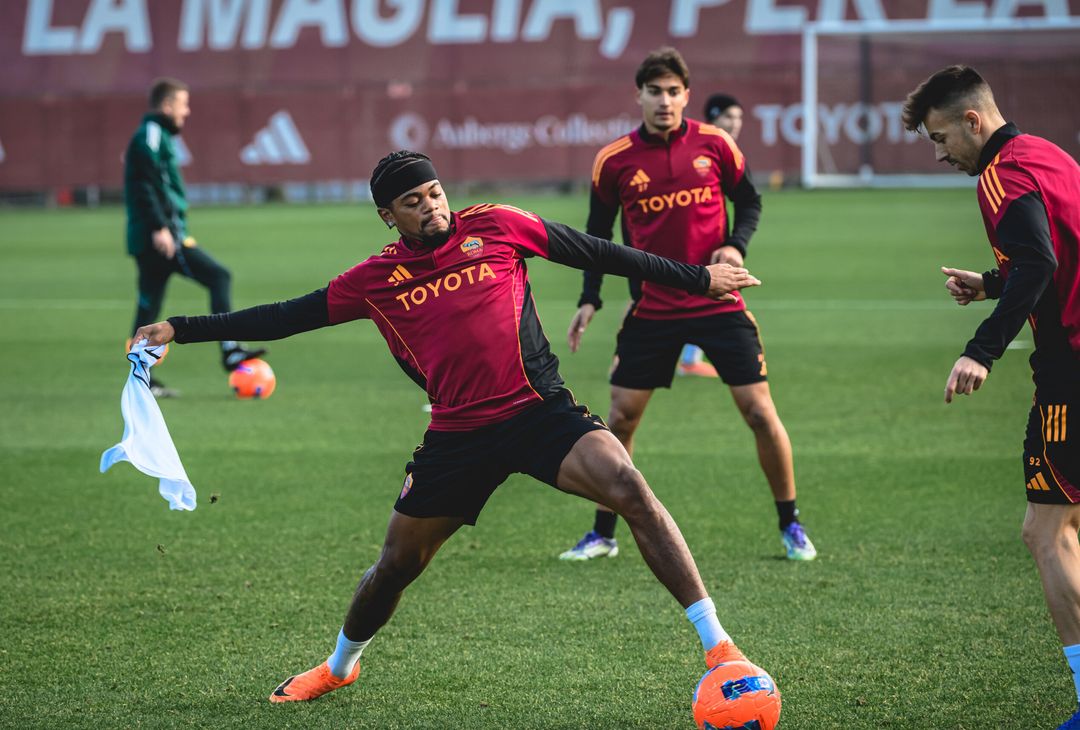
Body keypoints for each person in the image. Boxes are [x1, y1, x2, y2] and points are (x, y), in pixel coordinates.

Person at [133, 150, 766, 704]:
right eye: (413, 202)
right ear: (389, 215)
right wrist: (180, 328)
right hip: (458, 437)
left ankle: (718, 645)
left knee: (632, 490)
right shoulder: (374, 280)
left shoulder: (496, 225)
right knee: (395, 565)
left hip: (540, 411)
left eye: (434, 193)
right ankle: (339, 666)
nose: (432, 207)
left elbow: (597, 249)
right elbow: (283, 317)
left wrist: (700, 277)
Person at [562, 48, 817, 562]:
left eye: (673, 91)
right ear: (639, 96)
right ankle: (603, 533)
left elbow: (749, 201)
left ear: (686, 95)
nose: (664, 100)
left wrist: (736, 246)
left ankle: (791, 524)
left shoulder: (716, 144)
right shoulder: (614, 161)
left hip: (718, 300)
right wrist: (590, 297)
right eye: (654, 91)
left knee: (759, 412)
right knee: (620, 418)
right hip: (652, 308)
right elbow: (596, 236)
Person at [902, 65, 1080, 729]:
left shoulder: (1000, 176)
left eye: (942, 136)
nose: (941, 151)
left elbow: (1040, 262)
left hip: (1071, 367)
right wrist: (988, 281)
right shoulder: (1049, 155)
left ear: (973, 121)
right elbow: (1054, 247)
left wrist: (981, 348)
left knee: (1045, 530)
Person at [124, 77, 264, 397]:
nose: (186, 112)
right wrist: (160, 227)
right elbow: (146, 183)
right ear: (167, 105)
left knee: (148, 308)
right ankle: (230, 350)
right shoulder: (152, 134)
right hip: (164, 238)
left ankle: (142, 381)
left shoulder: (154, 135)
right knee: (219, 276)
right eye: (183, 105)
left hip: (149, 238)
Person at [677, 93, 746, 378]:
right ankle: (623, 358)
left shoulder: (725, 150)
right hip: (680, 239)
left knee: (712, 291)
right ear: (713, 118)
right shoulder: (698, 149)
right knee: (647, 295)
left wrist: (733, 242)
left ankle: (691, 359)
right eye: (728, 117)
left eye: (739, 117)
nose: (735, 123)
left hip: (708, 240)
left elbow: (747, 199)